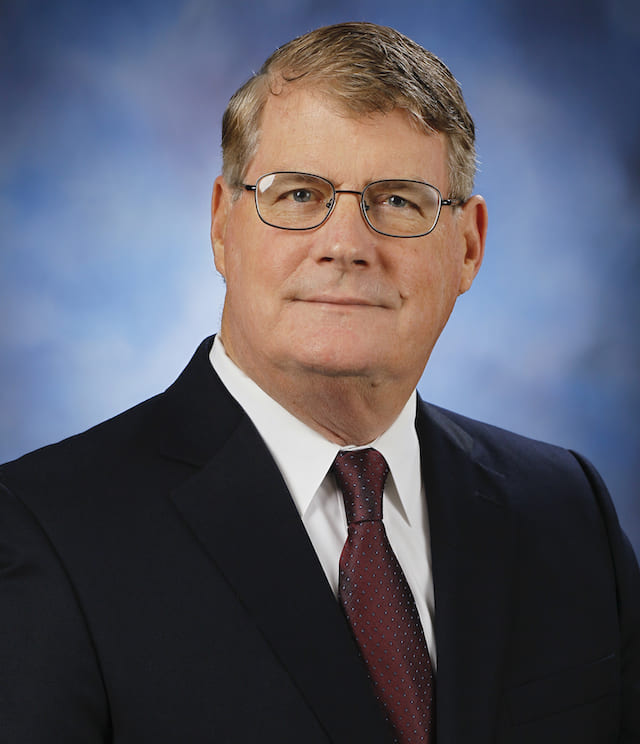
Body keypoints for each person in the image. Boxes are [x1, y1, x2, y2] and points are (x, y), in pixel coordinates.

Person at [1, 21, 638, 744]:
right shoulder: (44, 529)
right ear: (221, 225)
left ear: (468, 245)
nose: (345, 245)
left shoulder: (565, 511)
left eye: (399, 201)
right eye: (300, 195)